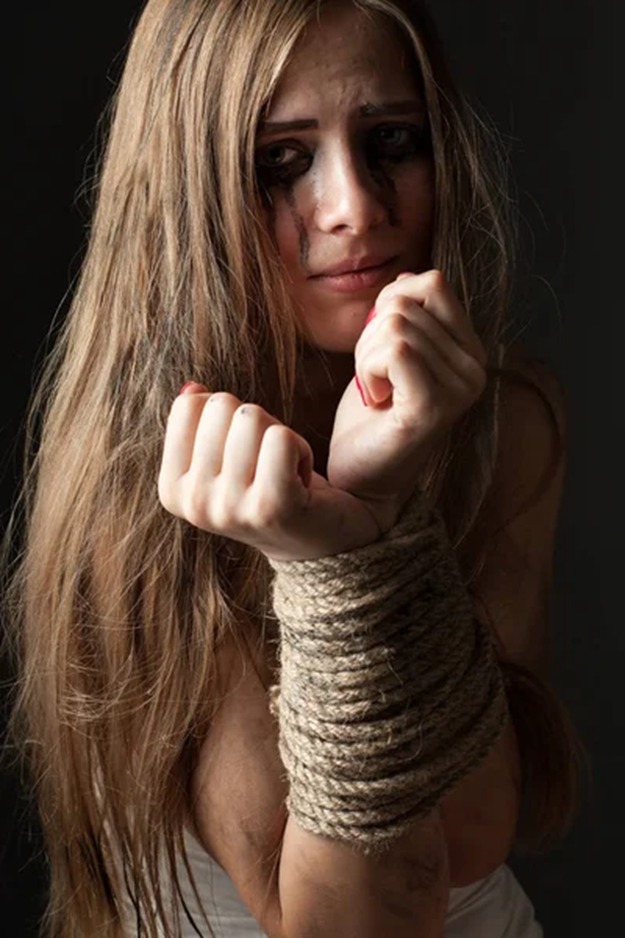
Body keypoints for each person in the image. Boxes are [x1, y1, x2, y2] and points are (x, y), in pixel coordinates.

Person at [5, 0, 587, 935]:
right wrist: (332, 555)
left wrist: (379, 506)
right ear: (191, 190)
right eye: (281, 161)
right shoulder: (153, 473)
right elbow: (345, 922)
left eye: (391, 141)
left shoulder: (504, 418)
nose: (354, 207)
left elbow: (473, 835)